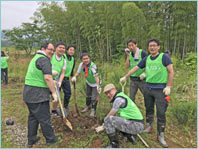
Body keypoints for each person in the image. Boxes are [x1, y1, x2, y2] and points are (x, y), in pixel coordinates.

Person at [120, 38, 174, 147]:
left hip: (160, 89)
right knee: (148, 108)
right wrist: (126, 76)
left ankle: (160, 134)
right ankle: (149, 126)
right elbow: (136, 67)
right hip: (148, 88)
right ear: (148, 48)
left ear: (158, 47)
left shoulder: (164, 57)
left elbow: (171, 71)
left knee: (161, 112)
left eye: (154, 46)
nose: (152, 48)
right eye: (150, 46)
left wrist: (168, 86)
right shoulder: (147, 58)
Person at [23, 42, 58, 147]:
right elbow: (47, 78)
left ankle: (31, 139)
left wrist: (51, 71)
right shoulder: (44, 59)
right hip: (38, 94)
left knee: (33, 117)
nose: (52, 52)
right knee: (44, 118)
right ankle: (50, 139)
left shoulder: (36, 57)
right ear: (43, 48)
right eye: (50, 49)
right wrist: (54, 93)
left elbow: (39, 72)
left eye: (53, 50)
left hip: (28, 93)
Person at [96, 84, 144, 148]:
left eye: (109, 92)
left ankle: (114, 145)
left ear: (114, 89)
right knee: (117, 120)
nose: (108, 95)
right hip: (137, 124)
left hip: (136, 125)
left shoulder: (118, 99)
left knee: (108, 119)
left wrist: (103, 125)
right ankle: (129, 136)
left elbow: (111, 114)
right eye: (106, 93)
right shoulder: (121, 96)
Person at [71, 53, 101, 117]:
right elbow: (78, 72)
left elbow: (96, 77)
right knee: (88, 95)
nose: (85, 60)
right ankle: (87, 106)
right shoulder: (81, 65)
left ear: (89, 59)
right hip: (88, 82)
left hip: (96, 83)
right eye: (84, 59)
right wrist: (75, 77)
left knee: (94, 97)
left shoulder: (93, 66)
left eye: (87, 58)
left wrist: (98, 86)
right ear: (82, 60)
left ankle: (93, 110)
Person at [50, 42, 67, 115]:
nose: (62, 49)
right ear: (56, 48)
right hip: (46, 79)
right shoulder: (51, 56)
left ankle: (53, 111)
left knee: (57, 98)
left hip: (56, 81)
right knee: (45, 97)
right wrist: (51, 72)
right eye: (60, 47)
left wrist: (60, 81)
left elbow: (63, 72)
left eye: (63, 48)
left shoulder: (64, 60)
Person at [61, 44, 76, 110]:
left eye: (73, 50)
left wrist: (73, 77)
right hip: (59, 77)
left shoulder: (73, 59)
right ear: (67, 50)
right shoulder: (63, 57)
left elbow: (71, 70)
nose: (72, 51)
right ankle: (54, 109)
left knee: (68, 93)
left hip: (66, 78)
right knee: (56, 94)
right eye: (70, 50)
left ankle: (65, 105)